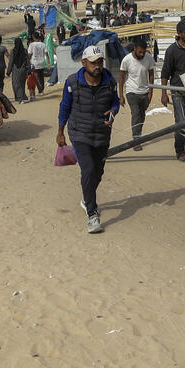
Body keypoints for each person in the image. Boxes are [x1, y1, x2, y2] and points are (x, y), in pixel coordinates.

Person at [57, 45, 120, 234]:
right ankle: (93, 215)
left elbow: (115, 102)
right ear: (84, 63)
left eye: (100, 62)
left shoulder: (109, 82)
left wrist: (114, 111)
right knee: (88, 169)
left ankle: (86, 199)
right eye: (93, 63)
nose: (97, 66)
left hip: (102, 133)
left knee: (98, 172)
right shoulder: (72, 83)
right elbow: (64, 108)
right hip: (79, 133)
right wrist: (60, 132)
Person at [160, 20, 185, 162]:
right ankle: (180, 151)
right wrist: (164, 93)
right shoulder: (172, 51)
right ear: (179, 34)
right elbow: (165, 73)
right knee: (180, 120)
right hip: (177, 90)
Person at [119, 39, 155, 150]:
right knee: (136, 114)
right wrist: (121, 95)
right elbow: (121, 78)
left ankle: (138, 135)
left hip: (144, 92)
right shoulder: (126, 60)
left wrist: (150, 92)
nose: (142, 54)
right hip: (131, 92)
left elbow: (151, 75)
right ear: (135, 49)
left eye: (143, 52)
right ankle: (136, 141)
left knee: (142, 115)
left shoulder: (149, 58)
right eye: (139, 52)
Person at [8, 37, 30, 104]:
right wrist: (29, 69)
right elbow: (27, 61)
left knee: (16, 84)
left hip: (16, 70)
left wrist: (8, 72)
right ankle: (23, 96)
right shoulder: (25, 51)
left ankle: (20, 98)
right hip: (23, 70)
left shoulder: (13, 51)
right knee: (22, 84)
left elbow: (11, 62)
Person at [27, 33, 48, 98]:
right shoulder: (43, 44)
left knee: (36, 78)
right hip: (42, 62)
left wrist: (28, 62)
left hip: (34, 63)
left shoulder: (31, 45)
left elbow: (29, 54)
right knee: (41, 77)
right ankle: (41, 91)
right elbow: (46, 53)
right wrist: (49, 63)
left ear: (33, 37)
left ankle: (37, 91)